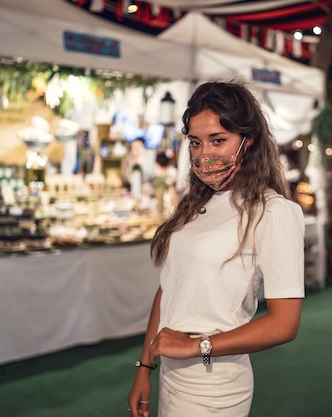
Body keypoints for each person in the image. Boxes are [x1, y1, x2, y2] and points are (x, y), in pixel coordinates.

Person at [127, 81, 305, 417]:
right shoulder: (197, 204)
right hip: (172, 373)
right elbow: (169, 290)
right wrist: (144, 366)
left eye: (218, 140)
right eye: (196, 142)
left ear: (248, 141)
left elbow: (285, 323)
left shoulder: (273, 211)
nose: (204, 153)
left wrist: (196, 346)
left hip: (214, 384)